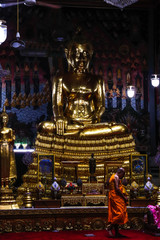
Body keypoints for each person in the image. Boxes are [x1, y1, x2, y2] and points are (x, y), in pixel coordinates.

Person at [38, 30, 128, 137]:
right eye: (77, 54)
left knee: (121, 128)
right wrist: (59, 118)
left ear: (90, 56)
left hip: (91, 124)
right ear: (68, 55)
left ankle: (81, 134)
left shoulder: (97, 80)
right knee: (44, 127)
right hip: (69, 123)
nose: (81, 59)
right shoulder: (61, 78)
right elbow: (57, 104)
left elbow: (101, 106)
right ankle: (81, 133)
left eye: (85, 55)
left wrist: (96, 116)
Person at [107, 167, 128, 238]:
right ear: (120, 172)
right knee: (120, 213)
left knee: (115, 213)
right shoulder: (116, 177)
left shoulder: (112, 176)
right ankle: (109, 227)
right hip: (115, 196)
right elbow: (117, 188)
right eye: (123, 174)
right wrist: (124, 197)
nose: (123, 176)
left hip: (113, 196)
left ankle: (117, 232)